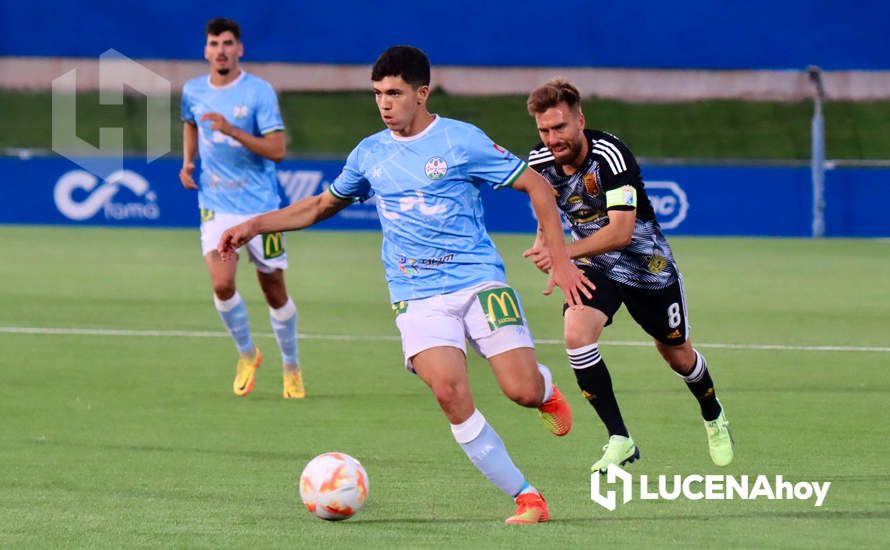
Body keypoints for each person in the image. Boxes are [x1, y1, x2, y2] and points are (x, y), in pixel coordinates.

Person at [218, 46, 595, 524]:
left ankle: (544, 391)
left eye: (394, 93)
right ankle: (527, 497)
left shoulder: (461, 141)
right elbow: (317, 206)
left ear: (422, 93)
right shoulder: (369, 154)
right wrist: (255, 225)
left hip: (478, 280)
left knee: (519, 390)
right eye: (377, 94)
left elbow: (538, 187)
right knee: (449, 394)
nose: (384, 103)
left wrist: (561, 262)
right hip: (415, 293)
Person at [523, 78, 734, 472]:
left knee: (677, 354)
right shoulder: (539, 161)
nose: (553, 138)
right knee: (576, 334)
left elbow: (620, 233)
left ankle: (712, 412)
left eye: (560, 127)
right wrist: (544, 240)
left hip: (646, 266)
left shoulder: (610, 156)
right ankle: (620, 438)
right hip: (595, 264)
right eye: (545, 130)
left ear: (580, 121)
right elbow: (545, 204)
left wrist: (560, 253)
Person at [179, 17, 305, 399]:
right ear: (206, 50)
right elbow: (191, 123)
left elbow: (278, 150)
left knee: (274, 291)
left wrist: (232, 129)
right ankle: (248, 354)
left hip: (262, 210)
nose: (221, 50)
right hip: (216, 205)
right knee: (221, 283)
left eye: (228, 43)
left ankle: (291, 365)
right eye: (214, 43)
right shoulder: (193, 91)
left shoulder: (258, 92)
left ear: (240, 49)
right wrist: (188, 161)